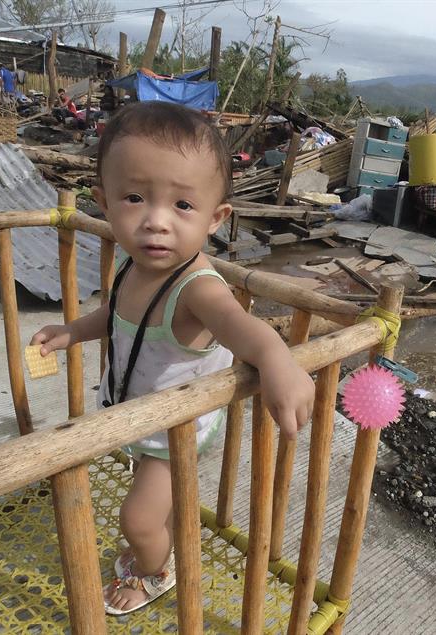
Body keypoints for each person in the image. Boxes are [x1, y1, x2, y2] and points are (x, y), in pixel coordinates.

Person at [30, 102, 315, 615]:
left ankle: (153, 571)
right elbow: (116, 317)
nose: (156, 223)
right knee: (148, 503)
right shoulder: (132, 268)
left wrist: (277, 360)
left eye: (183, 205)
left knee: (137, 522)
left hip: (176, 429)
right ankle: (152, 543)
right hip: (139, 411)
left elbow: (242, 328)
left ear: (215, 218)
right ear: (104, 203)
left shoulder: (198, 288)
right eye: (136, 198)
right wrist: (72, 331)